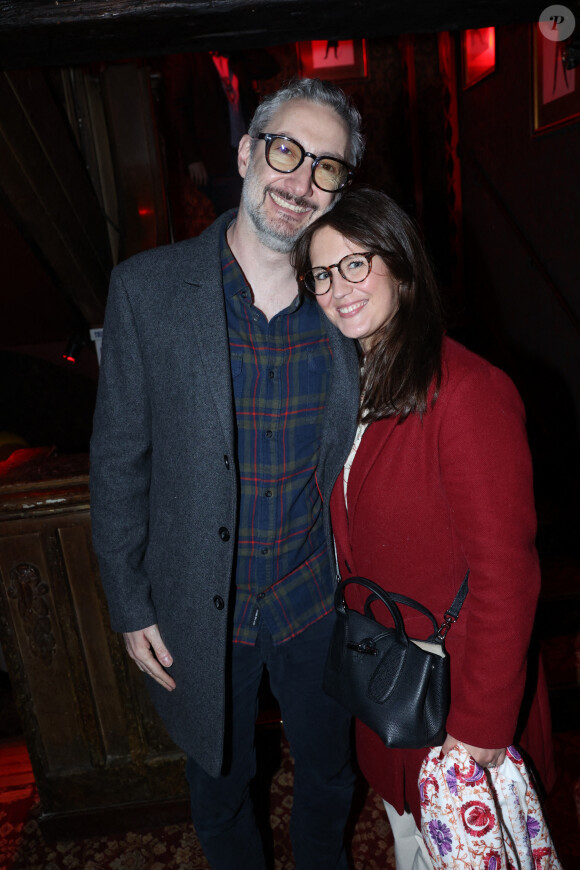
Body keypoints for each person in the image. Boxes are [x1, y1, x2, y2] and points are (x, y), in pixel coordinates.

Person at [90, 78, 364, 870]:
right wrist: (129, 598)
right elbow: (116, 460)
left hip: (316, 598)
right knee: (218, 785)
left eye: (327, 168)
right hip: (200, 606)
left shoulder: (348, 304)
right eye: (286, 150)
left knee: (328, 773)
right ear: (247, 153)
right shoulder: (148, 290)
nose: (301, 181)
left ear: (341, 189)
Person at [292, 185, 556, 869]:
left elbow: (508, 574)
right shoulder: (355, 388)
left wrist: (479, 732)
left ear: (402, 267)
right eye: (323, 272)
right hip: (389, 695)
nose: (337, 287)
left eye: (357, 264)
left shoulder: (467, 391)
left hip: (459, 703)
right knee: (411, 850)